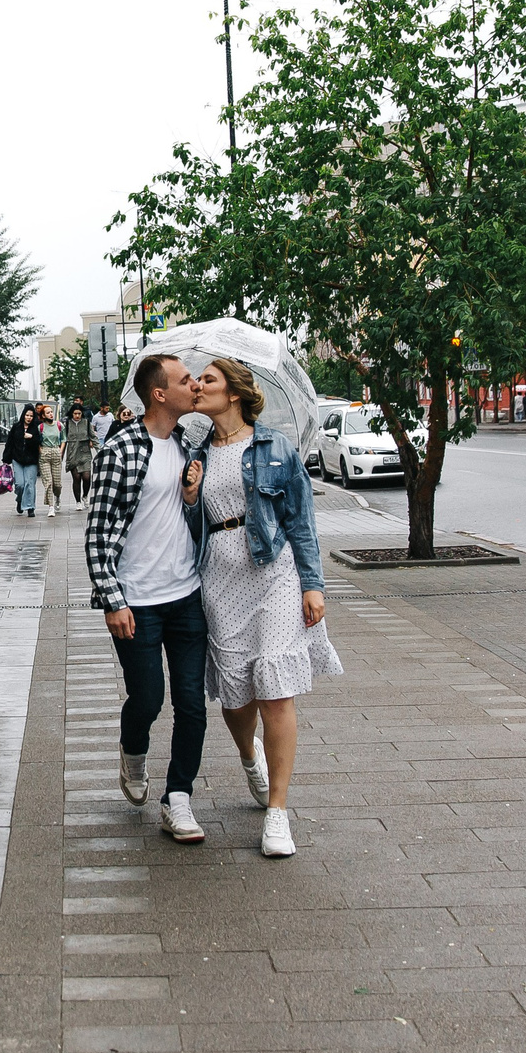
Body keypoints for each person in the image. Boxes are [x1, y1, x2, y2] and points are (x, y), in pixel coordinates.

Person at [182, 357, 340, 858]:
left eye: (207, 379)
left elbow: (301, 520)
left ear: (233, 392)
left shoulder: (274, 447)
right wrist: (189, 497)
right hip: (220, 578)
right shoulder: (196, 453)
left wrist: (312, 585)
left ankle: (277, 812)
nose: (197, 386)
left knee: (274, 686)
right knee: (235, 695)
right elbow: (188, 529)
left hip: (273, 571)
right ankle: (250, 757)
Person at [85, 354, 210, 843]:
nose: (194, 385)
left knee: (191, 704)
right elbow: (96, 534)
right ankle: (132, 754)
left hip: (186, 596)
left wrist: (194, 495)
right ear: (159, 394)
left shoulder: (188, 445)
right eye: (184, 380)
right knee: (148, 698)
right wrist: (113, 600)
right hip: (136, 600)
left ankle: (177, 798)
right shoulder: (121, 451)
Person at [3, 405, 43, 516]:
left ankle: (30, 507)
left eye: (31, 416)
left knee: (29, 483)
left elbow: (40, 442)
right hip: (18, 459)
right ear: (23, 415)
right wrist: (6, 458)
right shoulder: (16, 427)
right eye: (27, 415)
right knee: (20, 484)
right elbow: (9, 443)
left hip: (31, 460)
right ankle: (20, 500)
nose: (29, 418)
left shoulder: (36, 428)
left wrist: (31, 438)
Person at [36, 406, 66, 518]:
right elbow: (37, 440)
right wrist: (41, 450)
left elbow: (64, 439)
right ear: (43, 415)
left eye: (51, 412)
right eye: (48, 413)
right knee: (48, 481)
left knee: (57, 483)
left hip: (56, 451)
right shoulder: (41, 427)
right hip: (45, 453)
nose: (51, 414)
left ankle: (57, 496)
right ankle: (51, 506)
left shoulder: (59, 425)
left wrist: (61, 450)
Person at [65, 403, 94, 503]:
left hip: (85, 452)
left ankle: (85, 495)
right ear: (72, 414)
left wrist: (99, 450)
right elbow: (63, 440)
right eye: (75, 413)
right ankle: (78, 501)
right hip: (73, 453)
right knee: (76, 477)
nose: (77, 416)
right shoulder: (68, 423)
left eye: (79, 413)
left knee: (87, 477)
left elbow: (93, 436)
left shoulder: (86, 423)